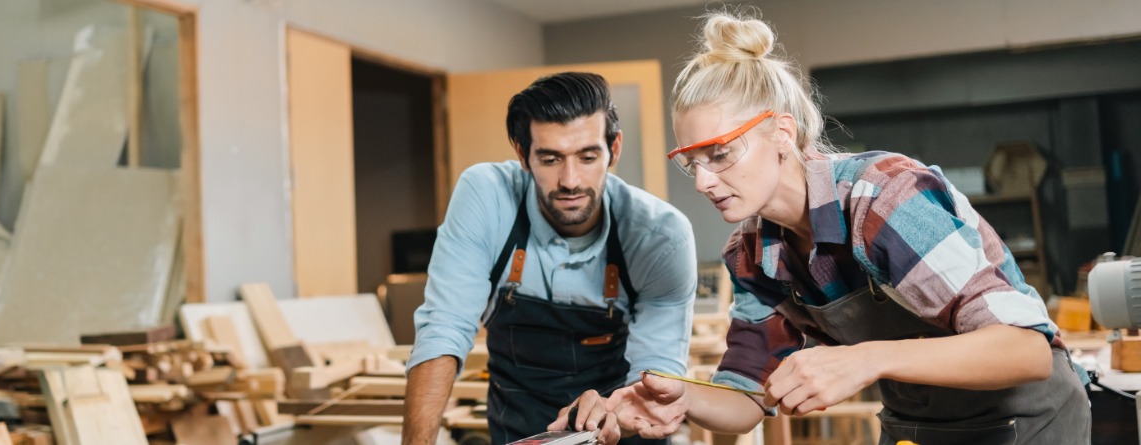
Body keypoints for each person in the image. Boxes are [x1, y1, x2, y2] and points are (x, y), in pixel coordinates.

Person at [594, 9, 1090, 445]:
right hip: (917, 423)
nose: (703, 180)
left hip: (1023, 418)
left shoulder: (883, 200)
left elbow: (1025, 349)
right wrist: (682, 397)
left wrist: (867, 359)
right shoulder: (753, 252)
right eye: (691, 161)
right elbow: (746, 399)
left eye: (719, 154)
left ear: (783, 133)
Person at [401, 72, 698, 445]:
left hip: (624, 428)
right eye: (550, 158)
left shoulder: (659, 235)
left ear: (614, 149)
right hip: (518, 428)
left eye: (588, 157)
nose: (570, 180)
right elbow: (444, 328)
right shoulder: (487, 196)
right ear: (522, 154)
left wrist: (610, 412)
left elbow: (655, 376)